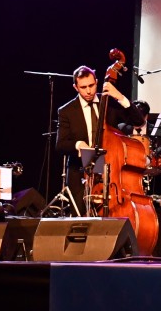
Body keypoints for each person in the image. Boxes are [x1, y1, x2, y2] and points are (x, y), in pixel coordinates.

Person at [55, 66, 144, 209]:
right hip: (80, 172)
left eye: (91, 85)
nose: (89, 91)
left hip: (109, 171)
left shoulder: (109, 104)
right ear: (75, 87)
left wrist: (119, 97)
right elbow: (60, 144)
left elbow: (139, 121)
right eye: (83, 87)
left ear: (97, 82)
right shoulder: (66, 111)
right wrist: (78, 144)